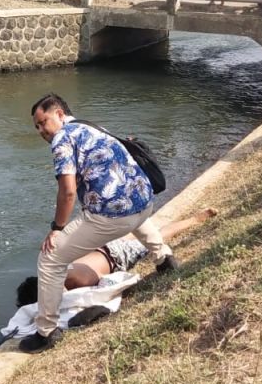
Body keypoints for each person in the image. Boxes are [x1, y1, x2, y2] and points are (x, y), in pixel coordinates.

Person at [22, 94, 178, 353]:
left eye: (43, 122)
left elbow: (68, 192)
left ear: (59, 114)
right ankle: (165, 259)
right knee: (126, 207)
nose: (41, 130)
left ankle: (47, 331)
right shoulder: (90, 125)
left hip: (116, 217)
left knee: (50, 258)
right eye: (37, 126)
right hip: (144, 204)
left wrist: (57, 229)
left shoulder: (62, 138)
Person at [16, 207, 218, 305]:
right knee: (148, 230)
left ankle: (196, 219)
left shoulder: (66, 282)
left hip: (116, 255)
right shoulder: (59, 274)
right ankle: (193, 217)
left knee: (160, 235)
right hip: (102, 247)